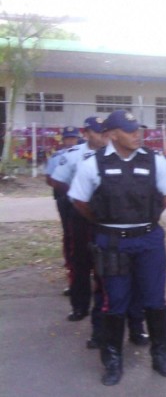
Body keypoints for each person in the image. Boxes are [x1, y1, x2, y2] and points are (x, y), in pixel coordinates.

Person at [68, 110, 166, 385]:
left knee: (155, 299)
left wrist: (145, 219)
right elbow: (78, 200)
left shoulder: (155, 160)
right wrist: (106, 223)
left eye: (138, 130)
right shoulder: (92, 164)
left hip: (149, 239)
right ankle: (113, 359)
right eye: (130, 131)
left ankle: (160, 355)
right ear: (112, 134)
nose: (137, 135)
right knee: (114, 302)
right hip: (112, 242)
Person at [50, 118, 109, 323]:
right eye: (96, 131)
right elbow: (57, 180)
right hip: (81, 216)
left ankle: (106, 305)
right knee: (80, 261)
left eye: (104, 131)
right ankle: (80, 306)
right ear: (86, 133)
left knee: (108, 261)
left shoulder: (115, 153)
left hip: (107, 216)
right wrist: (78, 195)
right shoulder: (74, 155)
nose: (101, 136)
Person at [46, 126, 81, 297]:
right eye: (68, 138)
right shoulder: (56, 157)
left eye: (73, 138)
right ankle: (72, 277)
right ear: (63, 140)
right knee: (69, 236)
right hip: (65, 200)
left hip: (85, 200)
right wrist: (70, 191)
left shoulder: (85, 154)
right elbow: (50, 179)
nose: (71, 141)